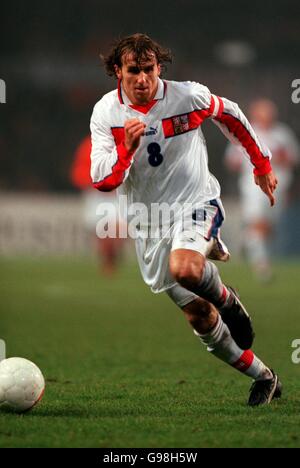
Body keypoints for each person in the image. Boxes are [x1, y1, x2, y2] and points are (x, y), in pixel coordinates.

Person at [90, 33, 282, 406]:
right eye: (134, 71)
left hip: (195, 203)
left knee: (186, 269)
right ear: (118, 71)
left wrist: (260, 163)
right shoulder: (105, 113)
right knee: (199, 315)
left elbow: (231, 114)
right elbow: (102, 180)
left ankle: (228, 300)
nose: (142, 79)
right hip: (148, 222)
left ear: (160, 67)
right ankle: (264, 375)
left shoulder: (187, 96)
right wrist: (126, 151)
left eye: (149, 70)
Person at [225, 98, 299, 280]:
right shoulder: (246, 132)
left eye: (269, 111)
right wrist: (250, 160)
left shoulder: (282, 134)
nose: (266, 115)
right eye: (262, 112)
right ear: (255, 114)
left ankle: (246, 240)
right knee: (258, 224)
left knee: (267, 229)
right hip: (254, 187)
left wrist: (281, 159)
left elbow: (294, 159)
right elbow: (231, 161)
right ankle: (262, 267)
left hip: (279, 188)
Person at [70, 135, 127, 275]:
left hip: (117, 195)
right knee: (103, 236)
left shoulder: (123, 141)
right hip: (97, 196)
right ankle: (107, 263)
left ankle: (112, 259)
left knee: (119, 232)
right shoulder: (88, 144)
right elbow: (79, 171)